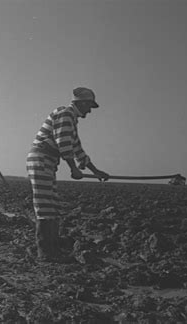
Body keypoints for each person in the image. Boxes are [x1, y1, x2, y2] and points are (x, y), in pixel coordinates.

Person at [27, 87, 109, 260]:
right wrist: (73, 168)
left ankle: (52, 248)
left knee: (53, 205)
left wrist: (96, 171)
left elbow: (77, 148)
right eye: (90, 106)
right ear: (83, 103)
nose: (90, 111)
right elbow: (64, 143)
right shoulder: (65, 115)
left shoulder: (70, 118)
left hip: (47, 161)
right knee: (45, 207)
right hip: (41, 159)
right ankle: (46, 253)